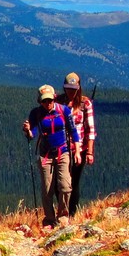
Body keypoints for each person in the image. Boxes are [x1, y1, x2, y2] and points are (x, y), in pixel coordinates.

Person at [22, 84, 79, 229]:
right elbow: (32, 134)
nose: (47, 103)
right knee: (47, 189)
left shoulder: (64, 111)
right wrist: (28, 131)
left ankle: (63, 216)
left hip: (63, 152)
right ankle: (49, 219)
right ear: (40, 101)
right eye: (44, 101)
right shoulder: (36, 114)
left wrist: (77, 151)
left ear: (54, 98)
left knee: (65, 186)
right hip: (45, 155)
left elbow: (73, 131)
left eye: (49, 100)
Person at [60, 71, 96, 213]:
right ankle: (63, 210)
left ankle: (72, 212)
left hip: (79, 150)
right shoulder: (58, 102)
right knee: (61, 182)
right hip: (61, 148)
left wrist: (90, 152)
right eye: (68, 88)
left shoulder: (85, 103)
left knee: (74, 182)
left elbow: (90, 129)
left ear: (78, 88)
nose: (71, 92)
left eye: (73, 89)